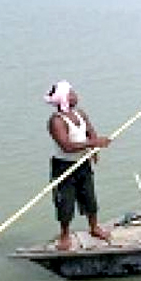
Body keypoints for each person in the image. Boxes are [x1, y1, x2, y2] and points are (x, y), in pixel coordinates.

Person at [44, 80, 112, 250]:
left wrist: (94, 149)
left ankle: (94, 227)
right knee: (65, 202)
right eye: (71, 94)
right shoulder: (56, 121)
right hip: (64, 166)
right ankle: (65, 235)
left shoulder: (80, 114)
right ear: (63, 99)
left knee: (89, 196)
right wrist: (93, 142)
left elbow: (90, 131)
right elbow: (66, 146)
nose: (76, 96)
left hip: (82, 163)